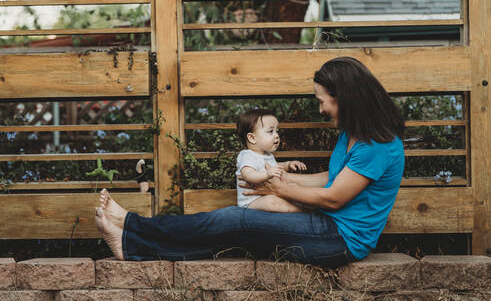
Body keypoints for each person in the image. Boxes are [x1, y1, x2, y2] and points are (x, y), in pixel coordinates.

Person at [95, 56, 405, 268]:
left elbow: (334, 197)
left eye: (323, 100)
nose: (321, 109)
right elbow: (332, 177)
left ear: (346, 97)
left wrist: (279, 188)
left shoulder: (376, 144)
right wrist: (282, 181)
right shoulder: (352, 134)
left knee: (234, 221)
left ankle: (132, 234)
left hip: (340, 239)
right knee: (231, 227)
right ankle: (132, 238)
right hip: (328, 226)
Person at [235, 109, 306, 213]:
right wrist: (267, 174)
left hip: (268, 194)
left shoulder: (268, 155)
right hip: (252, 201)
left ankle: (302, 207)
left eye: (277, 131)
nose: (276, 135)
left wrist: (288, 164)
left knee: (292, 188)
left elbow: (275, 166)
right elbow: (248, 175)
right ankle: (301, 211)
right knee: (272, 202)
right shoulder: (246, 155)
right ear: (252, 138)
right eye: (270, 131)